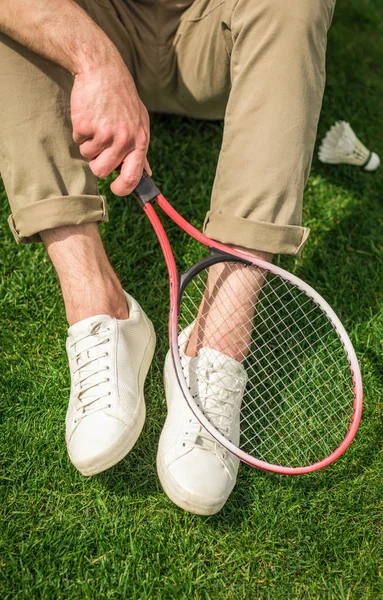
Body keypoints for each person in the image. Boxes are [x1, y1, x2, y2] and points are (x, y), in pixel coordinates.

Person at [0, 0, 336, 515]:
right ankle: (99, 308)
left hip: (224, 41)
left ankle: (217, 342)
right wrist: (94, 60)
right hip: (98, 22)